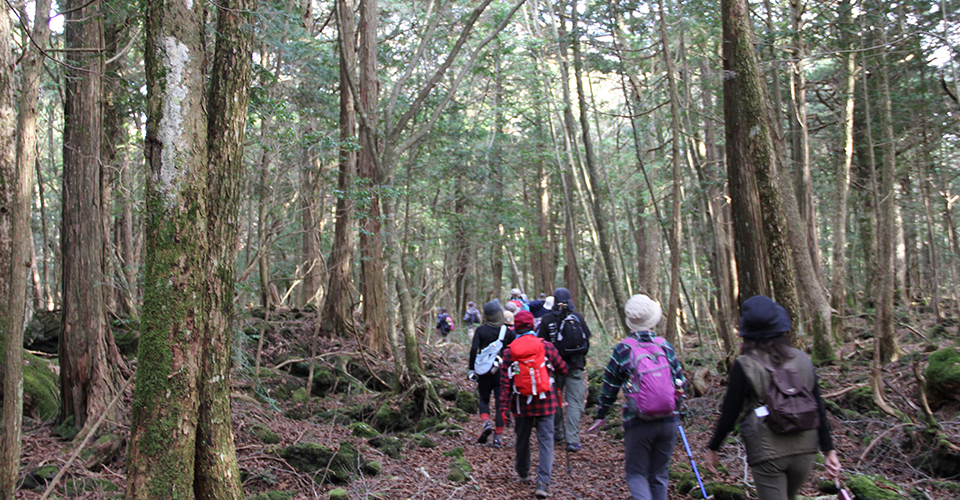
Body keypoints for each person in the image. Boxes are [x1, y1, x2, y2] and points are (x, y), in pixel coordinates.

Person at [704, 295, 841, 500]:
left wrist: (713, 448)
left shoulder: (745, 364)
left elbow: (730, 412)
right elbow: (818, 407)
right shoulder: (803, 359)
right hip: (806, 449)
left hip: (767, 452)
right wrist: (829, 451)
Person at [589, 294, 686, 500]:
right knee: (659, 475)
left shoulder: (623, 349)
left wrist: (601, 414)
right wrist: (676, 406)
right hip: (669, 420)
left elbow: (610, 386)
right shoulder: (664, 346)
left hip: (638, 421)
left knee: (636, 474)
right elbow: (680, 380)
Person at [500, 309, 569, 498]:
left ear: (515, 328)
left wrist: (503, 408)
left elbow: (505, 382)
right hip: (546, 402)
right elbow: (563, 368)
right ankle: (543, 482)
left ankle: (523, 473)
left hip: (521, 405)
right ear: (533, 326)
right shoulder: (546, 346)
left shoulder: (509, 351)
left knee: (522, 439)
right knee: (546, 441)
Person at [536, 287, 590, 452]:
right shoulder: (578, 318)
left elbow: (541, 344)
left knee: (555, 399)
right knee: (574, 402)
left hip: (555, 366)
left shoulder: (547, 320)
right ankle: (572, 439)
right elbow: (587, 340)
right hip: (576, 366)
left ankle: (558, 433)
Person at [469, 299, 516, 448]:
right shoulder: (508, 332)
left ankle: (485, 422)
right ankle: (498, 438)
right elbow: (513, 351)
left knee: (483, 399)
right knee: (500, 404)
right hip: (501, 372)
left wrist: (471, 369)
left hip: (484, 372)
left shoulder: (481, 330)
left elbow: (473, 350)